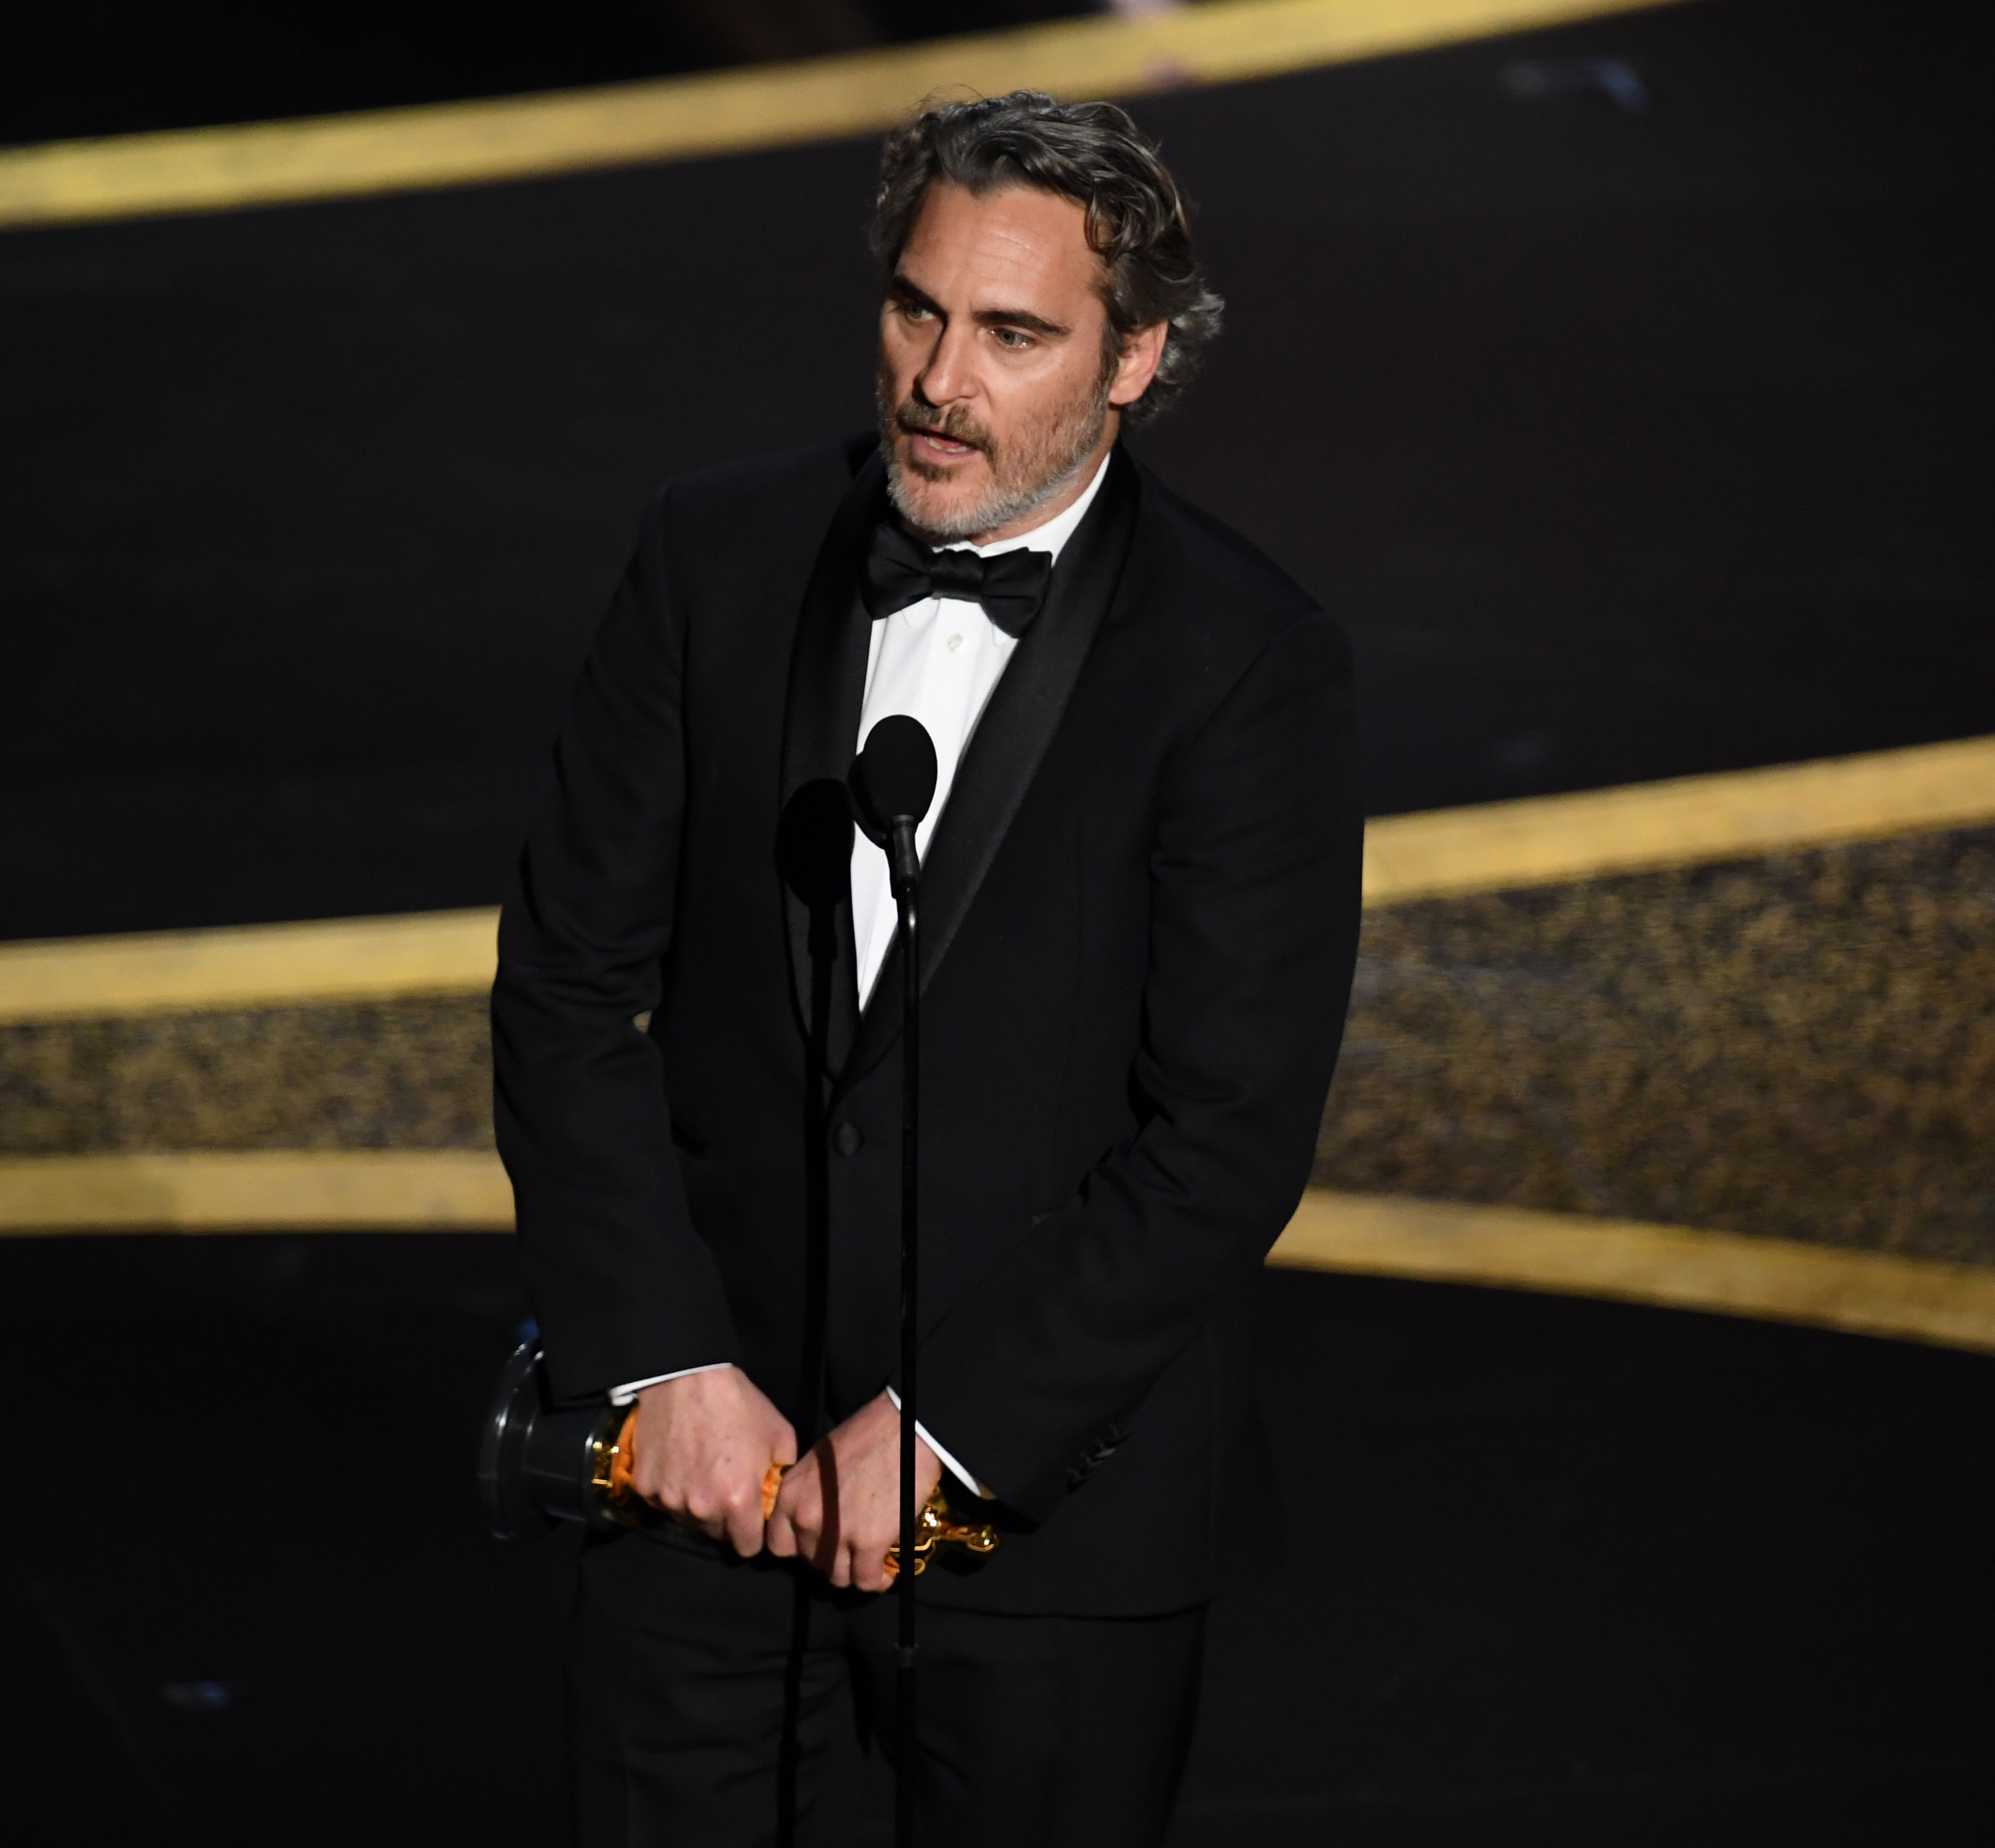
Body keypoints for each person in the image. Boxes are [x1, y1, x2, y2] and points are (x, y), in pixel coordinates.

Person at [494, 90, 1363, 1847]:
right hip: (701, 1491)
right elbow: (570, 982)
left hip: (1047, 1520)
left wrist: (947, 1429)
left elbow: (1224, 1131)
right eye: (915, 308)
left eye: (1012, 334)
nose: (936, 381)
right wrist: (666, 1360)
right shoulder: (711, 557)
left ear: (1132, 361)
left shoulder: (1244, 661)